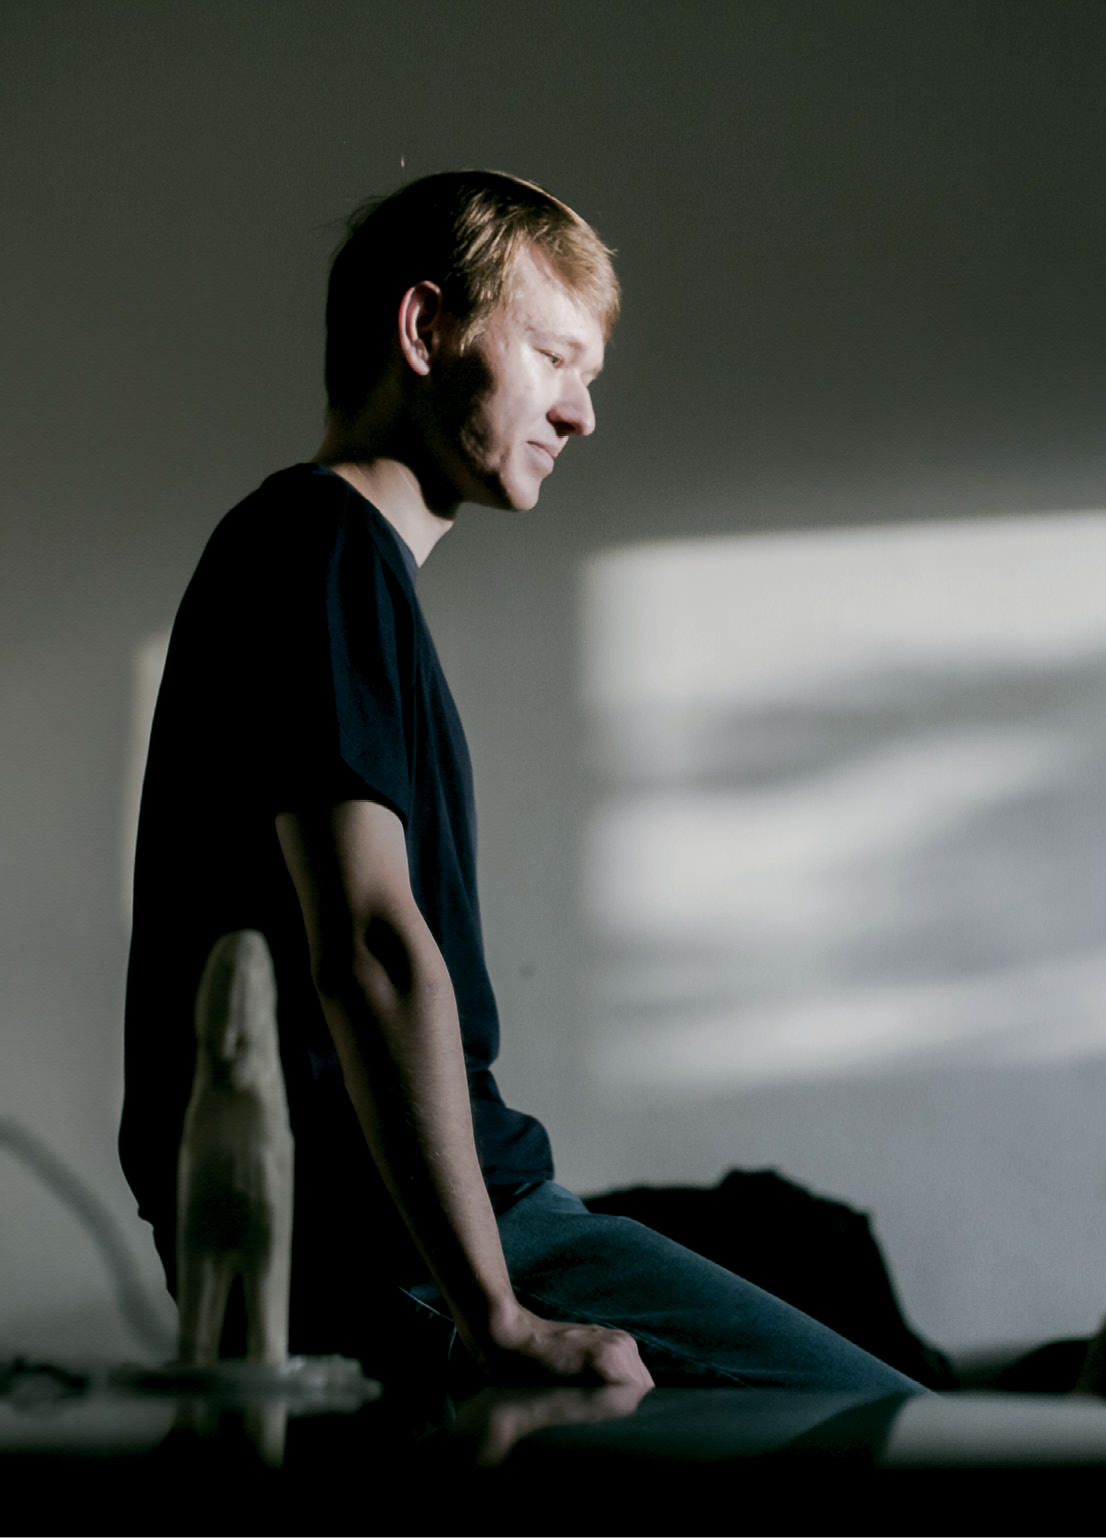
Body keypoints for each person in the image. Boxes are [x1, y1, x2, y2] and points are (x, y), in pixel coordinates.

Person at [120, 169, 923, 1398]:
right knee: (905, 1442)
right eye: (555, 356)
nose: (583, 412)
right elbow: (373, 948)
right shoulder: (321, 546)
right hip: (421, 1244)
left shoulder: (324, 564)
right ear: (424, 326)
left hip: (392, 1242)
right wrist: (493, 1311)